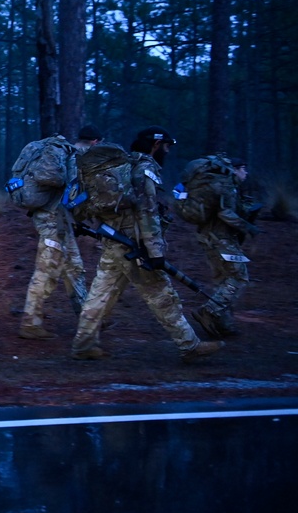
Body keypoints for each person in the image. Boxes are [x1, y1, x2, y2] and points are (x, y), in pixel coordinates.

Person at [71, 127, 223, 362]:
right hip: (134, 244)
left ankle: (83, 344)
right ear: (155, 144)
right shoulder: (144, 168)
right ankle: (189, 344)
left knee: (99, 295)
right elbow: (147, 210)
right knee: (160, 292)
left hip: (113, 241)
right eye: (166, 146)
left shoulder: (125, 166)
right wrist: (154, 251)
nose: (168, 151)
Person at [17, 126, 102, 340]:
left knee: (75, 268)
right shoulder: (75, 157)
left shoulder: (67, 155)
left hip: (59, 221)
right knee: (46, 270)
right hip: (52, 222)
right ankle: (30, 322)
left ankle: (87, 319)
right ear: (95, 142)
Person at [190, 157, 258, 338]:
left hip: (209, 238)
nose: (246, 172)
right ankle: (210, 311)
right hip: (221, 240)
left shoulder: (221, 186)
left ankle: (223, 324)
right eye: (243, 168)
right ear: (235, 169)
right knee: (239, 276)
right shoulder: (228, 186)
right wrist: (247, 227)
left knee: (222, 280)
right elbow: (225, 213)